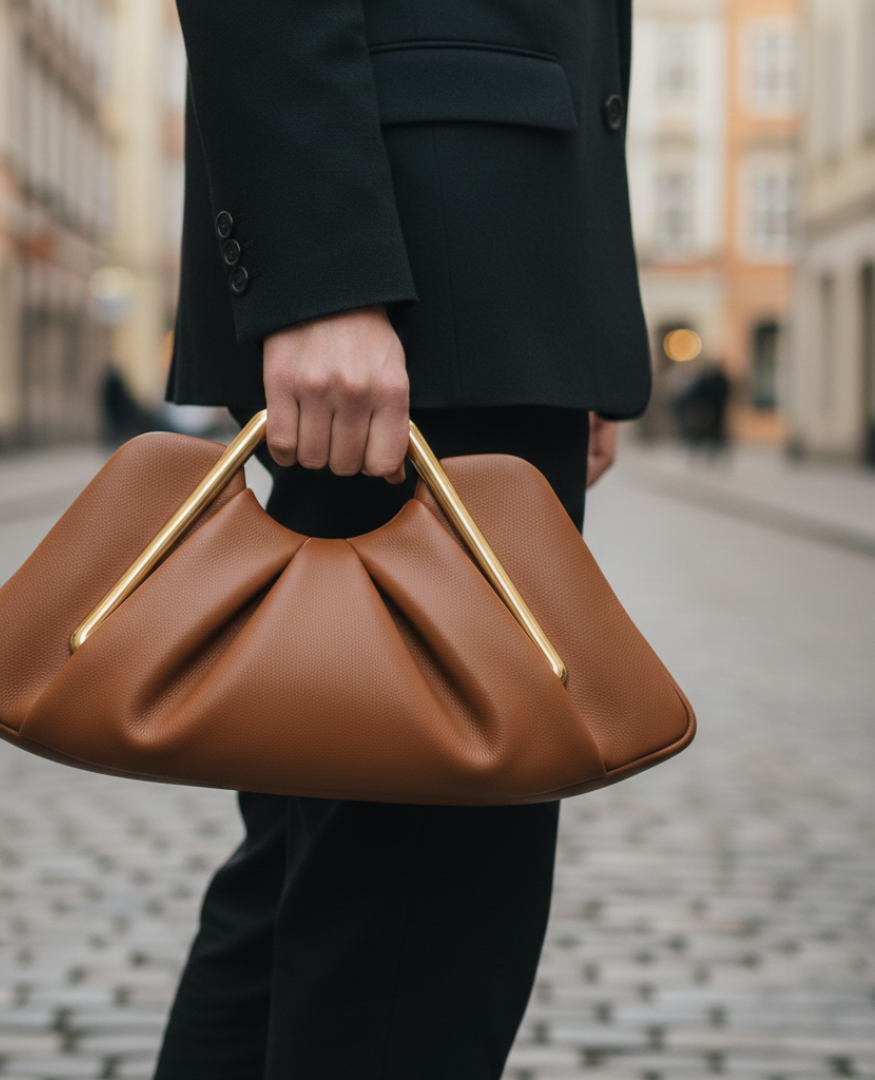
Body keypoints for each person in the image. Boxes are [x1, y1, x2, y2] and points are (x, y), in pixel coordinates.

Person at [155, 1, 650, 1077]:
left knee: (316, 878)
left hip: (483, 274)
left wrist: (583, 308)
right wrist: (320, 273)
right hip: (413, 267)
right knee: (426, 915)